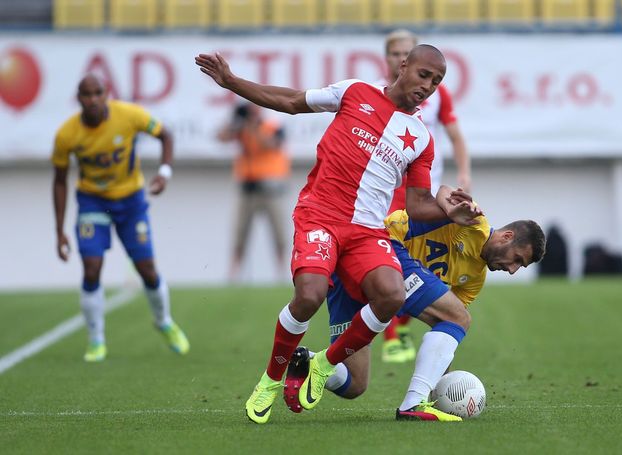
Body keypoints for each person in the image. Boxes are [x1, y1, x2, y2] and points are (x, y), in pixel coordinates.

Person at [195, 45, 483, 424]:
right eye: (424, 75)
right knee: (309, 295)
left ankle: (323, 365)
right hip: (320, 217)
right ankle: (269, 379)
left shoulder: (421, 137)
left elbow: (417, 204)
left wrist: (450, 211)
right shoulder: (354, 92)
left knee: (391, 293)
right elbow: (292, 100)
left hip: (366, 231)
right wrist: (232, 82)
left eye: (437, 82)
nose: (428, 86)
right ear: (403, 66)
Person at [283, 188, 546, 420]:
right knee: (459, 318)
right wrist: (449, 202)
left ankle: (308, 361)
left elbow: (445, 332)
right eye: (517, 260)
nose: (512, 270)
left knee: (354, 384)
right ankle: (413, 404)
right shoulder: (473, 223)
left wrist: (439, 386)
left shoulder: (475, 278)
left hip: (354, 279)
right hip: (380, 246)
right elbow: (443, 190)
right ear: (507, 236)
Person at [52, 74, 190, 362]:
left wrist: (164, 173)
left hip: (130, 201)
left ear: (106, 94)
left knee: (147, 269)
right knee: (91, 268)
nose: (92, 99)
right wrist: (60, 230)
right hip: (92, 201)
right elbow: (60, 180)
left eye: (97, 93)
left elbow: (165, 135)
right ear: (78, 99)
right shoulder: (67, 134)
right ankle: (96, 340)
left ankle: (164, 321)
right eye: (86, 95)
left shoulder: (129, 115)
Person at [379, 30, 474, 363]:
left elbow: (456, 136)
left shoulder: (437, 94)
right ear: (391, 59)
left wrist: (463, 174)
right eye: (394, 53)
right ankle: (391, 334)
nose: (399, 57)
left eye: (406, 51)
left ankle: (399, 324)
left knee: (420, 261)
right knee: (392, 260)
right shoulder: (375, 95)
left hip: (425, 194)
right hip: (387, 192)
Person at [217, 101, 290, 281]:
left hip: (271, 188)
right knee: (240, 233)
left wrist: (252, 127)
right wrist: (234, 122)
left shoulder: (272, 126)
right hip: (247, 188)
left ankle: (283, 275)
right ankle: (233, 276)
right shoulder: (241, 129)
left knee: (279, 233)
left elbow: (270, 144)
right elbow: (220, 137)